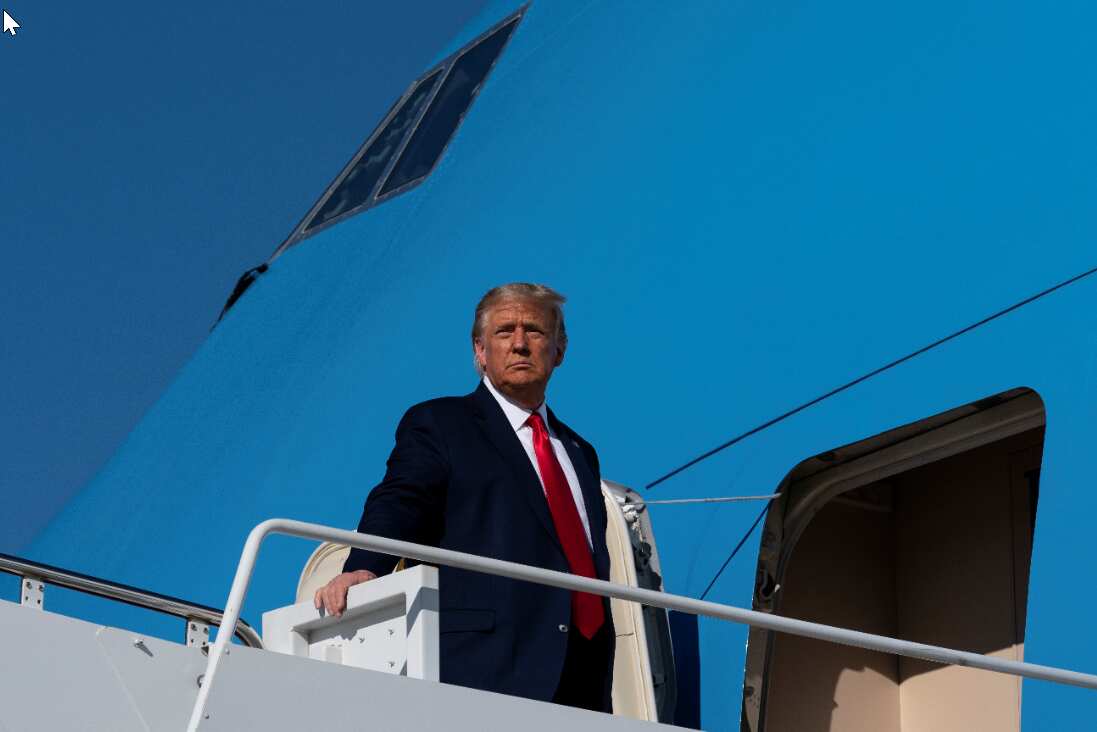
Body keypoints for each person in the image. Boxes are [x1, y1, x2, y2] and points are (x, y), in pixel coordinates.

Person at [314, 283, 615, 712]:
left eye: (534, 331)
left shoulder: (580, 452)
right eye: (504, 331)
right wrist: (366, 566)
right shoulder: (442, 424)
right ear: (479, 350)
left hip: (584, 677)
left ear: (559, 350)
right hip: (485, 668)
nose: (519, 343)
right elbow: (402, 499)